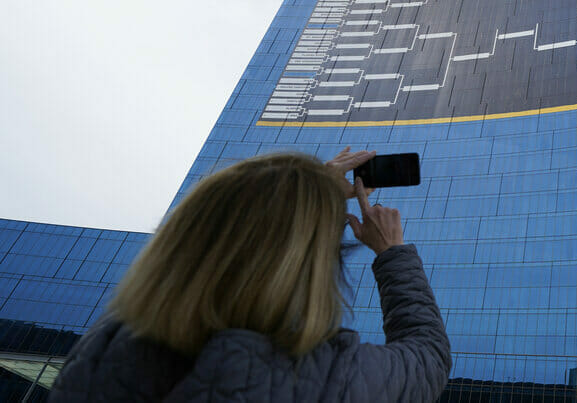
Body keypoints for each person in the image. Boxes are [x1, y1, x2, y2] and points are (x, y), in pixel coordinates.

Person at [50, 148, 452, 402]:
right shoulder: (328, 378)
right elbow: (428, 357)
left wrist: (304, 192)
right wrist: (392, 253)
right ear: (305, 264)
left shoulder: (103, 351)